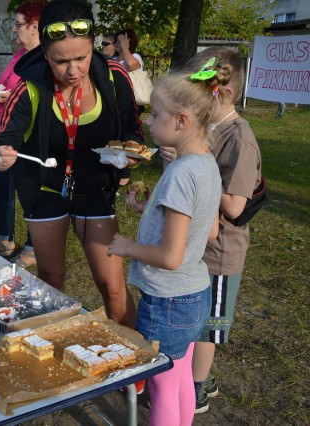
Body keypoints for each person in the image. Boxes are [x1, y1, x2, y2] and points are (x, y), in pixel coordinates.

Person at [0, 0, 142, 329]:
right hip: (45, 192)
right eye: (60, 61)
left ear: (93, 47)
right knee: (51, 279)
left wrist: (128, 155)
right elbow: (0, 142)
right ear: (44, 54)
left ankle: (135, 373)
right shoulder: (29, 88)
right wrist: (1, 156)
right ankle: (55, 354)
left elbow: (132, 130)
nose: (72, 70)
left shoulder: (114, 80)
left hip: (94, 191)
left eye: (81, 58)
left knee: (112, 284)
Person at [109, 66, 226, 425]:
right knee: (180, 378)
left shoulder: (180, 173)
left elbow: (170, 257)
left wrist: (128, 246)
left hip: (167, 302)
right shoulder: (207, 164)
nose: (148, 122)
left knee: (160, 385)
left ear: (181, 121)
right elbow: (208, 231)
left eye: (156, 114)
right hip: (195, 294)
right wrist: (154, 211)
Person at [174, 48, 262, 415]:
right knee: (194, 320)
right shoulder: (212, 129)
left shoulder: (239, 138)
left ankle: (196, 388)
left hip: (221, 253)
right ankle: (188, 380)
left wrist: (194, 163)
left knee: (208, 327)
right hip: (199, 245)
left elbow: (235, 206)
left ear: (219, 94)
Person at [0, 0, 45, 267]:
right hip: (4, 135)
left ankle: (33, 245)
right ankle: (5, 238)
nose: (14, 30)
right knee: (1, 185)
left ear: (34, 26)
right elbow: (8, 90)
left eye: (18, 24)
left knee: (30, 192)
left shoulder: (42, 61)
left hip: (26, 141)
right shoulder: (19, 56)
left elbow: (26, 99)